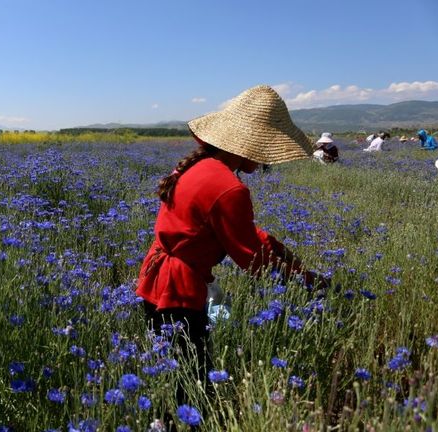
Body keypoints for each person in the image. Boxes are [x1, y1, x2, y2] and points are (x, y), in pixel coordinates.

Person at [136, 85, 330, 409]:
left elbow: (227, 231)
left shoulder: (198, 168)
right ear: (248, 144)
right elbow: (253, 262)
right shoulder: (229, 188)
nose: (266, 157)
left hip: (157, 282)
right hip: (178, 292)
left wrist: (274, 246)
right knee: (192, 388)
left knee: (170, 380)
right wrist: (305, 280)